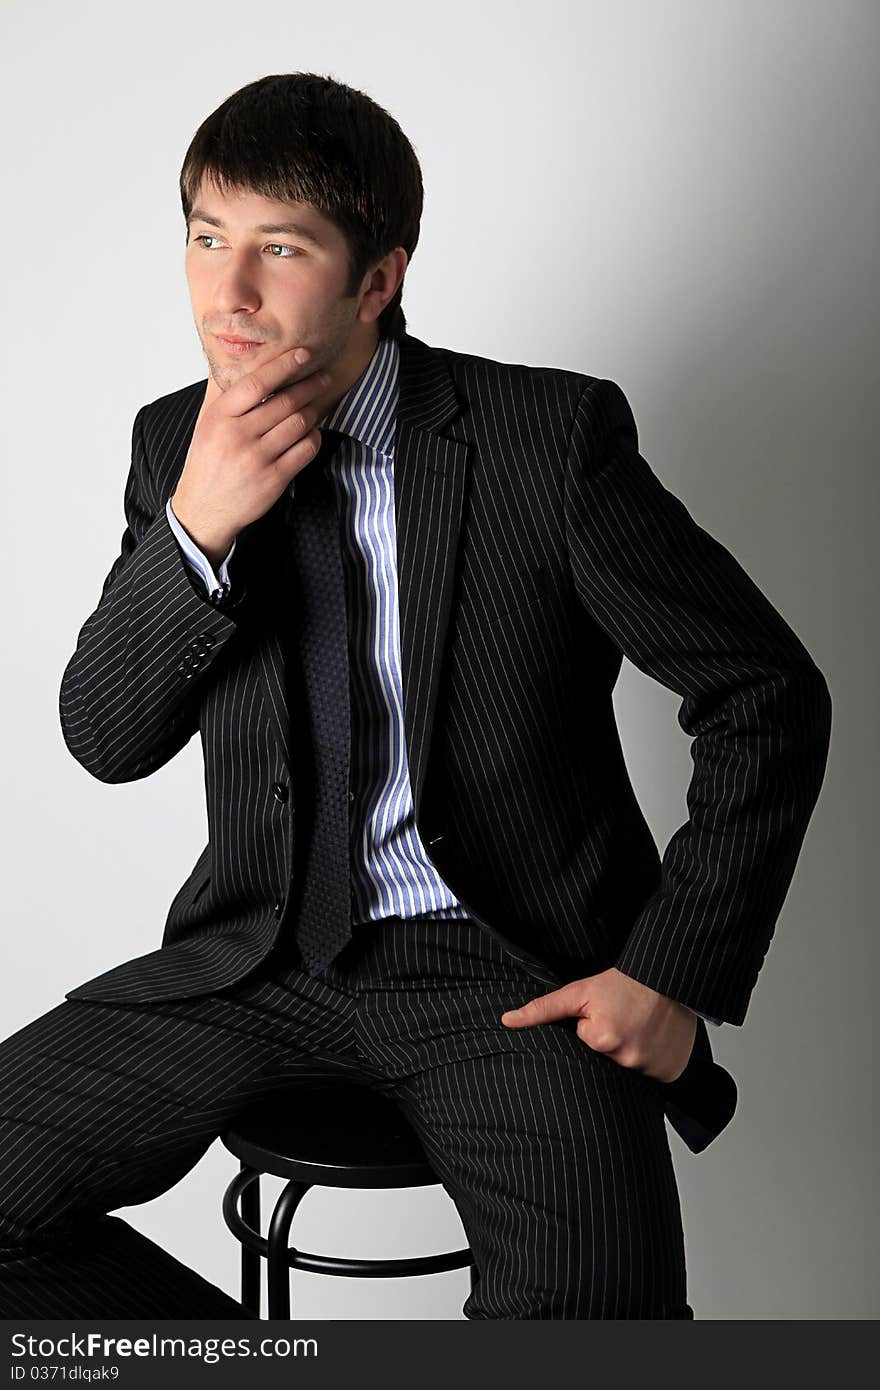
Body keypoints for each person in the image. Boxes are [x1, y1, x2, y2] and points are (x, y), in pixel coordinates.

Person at [0, 71, 832, 1320]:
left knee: (592, 1315)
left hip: (508, 969)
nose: (226, 293)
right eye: (207, 239)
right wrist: (195, 531)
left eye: (278, 250)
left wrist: (666, 969)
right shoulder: (176, 444)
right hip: (260, 955)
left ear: (376, 278)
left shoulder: (544, 441)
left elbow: (762, 690)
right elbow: (107, 739)